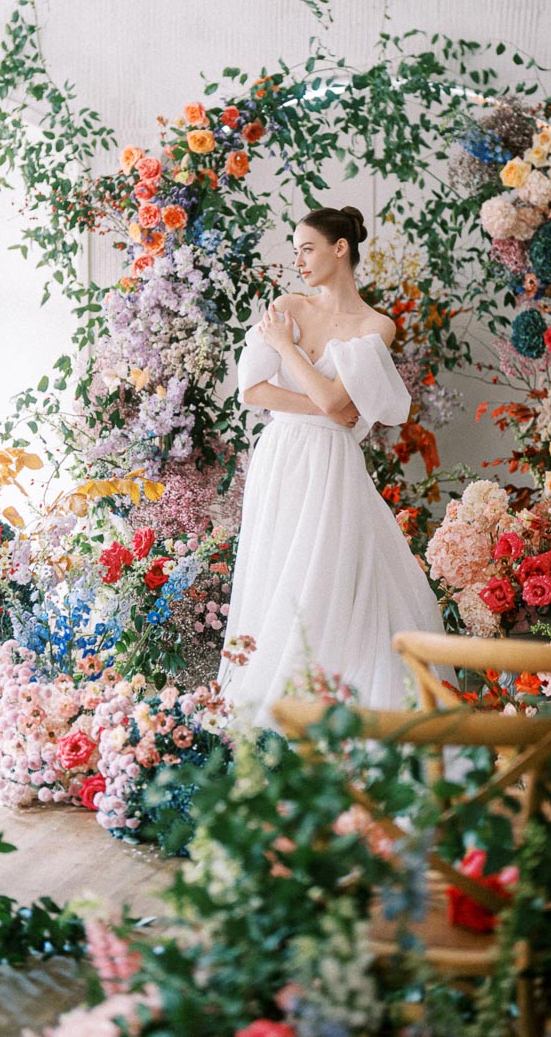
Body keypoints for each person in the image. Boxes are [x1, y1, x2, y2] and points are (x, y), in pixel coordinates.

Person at [218, 205, 454, 726]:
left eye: (307, 248)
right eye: (296, 250)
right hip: (282, 456)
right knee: (280, 570)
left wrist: (287, 349)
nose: (298, 260)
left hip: (332, 462)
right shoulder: (288, 305)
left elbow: (334, 401)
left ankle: (334, 709)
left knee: (329, 572)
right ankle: (273, 712)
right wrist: (325, 404)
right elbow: (254, 390)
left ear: (339, 248)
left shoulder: (376, 325)